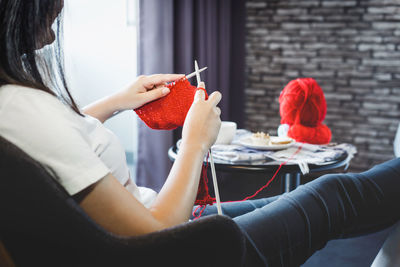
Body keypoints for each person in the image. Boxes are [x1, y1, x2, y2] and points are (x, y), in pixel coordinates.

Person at [0, 1, 399, 266]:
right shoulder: (23, 108)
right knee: (335, 193)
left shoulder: (16, 109)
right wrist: (195, 141)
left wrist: (116, 101)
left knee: (300, 196)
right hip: (191, 250)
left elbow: (57, 144)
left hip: (180, 228)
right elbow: (156, 236)